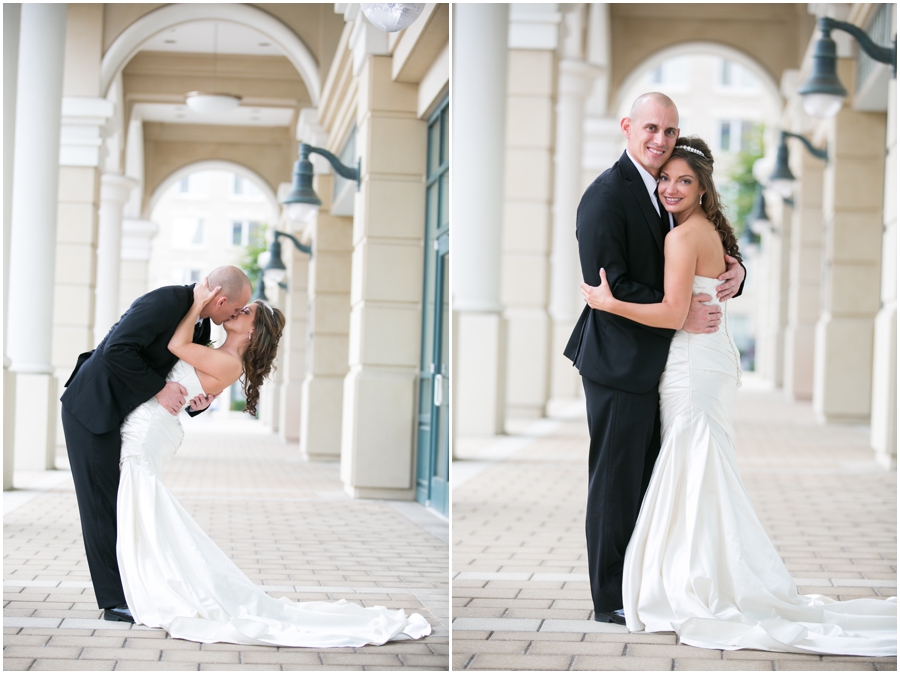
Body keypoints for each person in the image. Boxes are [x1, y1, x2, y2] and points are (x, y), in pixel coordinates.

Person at [581, 136, 896, 656]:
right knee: (698, 470)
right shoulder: (689, 227)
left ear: (704, 188)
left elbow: (669, 310)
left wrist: (609, 302)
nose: (671, 187)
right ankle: (701, 574)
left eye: (685, 180)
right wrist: (733, 272)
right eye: (666, 179)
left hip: (691, 363)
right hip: (704, 360)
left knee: (693, 467)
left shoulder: (683, 237)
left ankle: (699, 581)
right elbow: (711, 275)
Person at [114, 279, 432, 646]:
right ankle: (149, 577)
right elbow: (187, 377)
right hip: (153, 425)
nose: (237, 311)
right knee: (143, 507)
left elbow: (175, 346)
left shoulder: (227, 361)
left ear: (252, 332)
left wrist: (197, 301)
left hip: (149, 431)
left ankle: (156, 583)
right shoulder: (218, 352)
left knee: (143, 504)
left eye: (245, 312)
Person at [563, 92, 745, 625]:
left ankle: (644, 584)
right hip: (618, 363)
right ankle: (609, 600)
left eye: (668, 131)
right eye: (650, 128)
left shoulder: (668, 191)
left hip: (664, 364)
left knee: (649, 481)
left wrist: (735, 272)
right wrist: (680, 312)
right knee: (616, 482)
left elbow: (704, 247)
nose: (660, 140)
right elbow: (610, 284)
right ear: (626, 127)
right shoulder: (604, 198)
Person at [61, 265, 251, 622]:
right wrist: (160, 389)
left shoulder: (197, 321)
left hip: (125, 415)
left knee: (121, 504)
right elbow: (116, 349)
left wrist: (199, 400)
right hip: (92, 408)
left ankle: (132, 586)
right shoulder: (166, 301)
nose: (233, 315)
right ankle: (113, 601)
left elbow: (177, 369)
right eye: (234, 309)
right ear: (221, 299)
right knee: (100, 506)